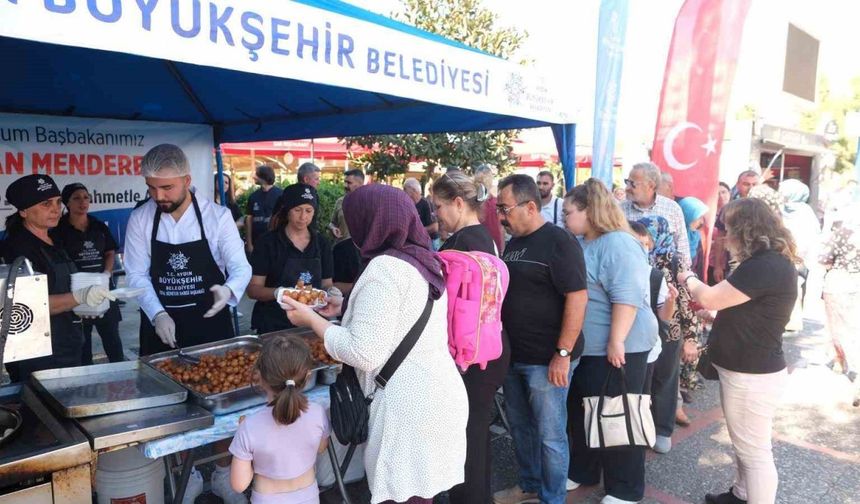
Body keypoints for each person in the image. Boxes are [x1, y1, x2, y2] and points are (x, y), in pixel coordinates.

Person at [281, 184, 468, 504]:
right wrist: (345, 309)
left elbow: (363, 352)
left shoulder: (384, 268)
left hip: (408, 408)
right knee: (422, 494)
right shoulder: (422, 258)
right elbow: (402, 317)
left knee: (405, 496)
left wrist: (313, 321)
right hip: (438, 395)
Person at [124, 144, 252, 504]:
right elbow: (135, 274)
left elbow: (241, 268)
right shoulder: (141, 219)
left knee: (225, 403)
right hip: (162, 326)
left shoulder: (216, 217)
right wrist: (157, 314)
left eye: (167, 188)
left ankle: (225, 471)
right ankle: (188, 471)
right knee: (170, 407)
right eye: (151, 188)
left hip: (211, 324)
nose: (158, 196)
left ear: (187, 180)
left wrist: (226, 292)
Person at [678, 198, 798, 504]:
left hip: (752, 374)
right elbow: (749, 309)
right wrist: (716, 315)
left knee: (754, 451)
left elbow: (711, 297)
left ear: (745, 229)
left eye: (727, 228)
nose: (723, 234)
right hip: (749, 369)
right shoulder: (766, 262)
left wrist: (688, 278)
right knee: (745, 444)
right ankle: (741, 494)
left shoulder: (765, 264)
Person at [492, 175, 587, 504]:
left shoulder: (560, 241)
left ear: (530, 206)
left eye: (505, 208)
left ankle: (552, 498)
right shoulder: (514, 242)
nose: (501, 216)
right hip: (513, 355)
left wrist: (562, 353)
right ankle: (530, 484)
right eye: (498, 208)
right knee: (520, 428)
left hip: (547, 360)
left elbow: (577, 297)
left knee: (550, 436)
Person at [563, 179, 657, 504]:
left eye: (569, 211)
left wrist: (616, 340)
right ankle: (584, 470)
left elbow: (627, 296)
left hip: (620, 346)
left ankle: (626, 489)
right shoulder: (585, 241)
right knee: (586, 410)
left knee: (617, 413)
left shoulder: (617, 242)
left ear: (590, 211)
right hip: (592, 347)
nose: (564, 217)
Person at [430, 172, 509, 504]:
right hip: (488, 347)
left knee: (466, 439)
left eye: (438, 207)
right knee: (474, 434)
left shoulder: (462, 243)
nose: (436, 215)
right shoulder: (485, 236)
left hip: (469, 354)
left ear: (458, 203)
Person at [2, 175, 114, 381]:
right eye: (46, 204)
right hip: (38, 355)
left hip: (68, 343)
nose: (55, 209)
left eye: (57, 202)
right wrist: (80, 297)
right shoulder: (17, 249)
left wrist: (85, 305)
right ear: (24, 211)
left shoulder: (53, 238)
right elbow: (28, 306)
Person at [229, 334, 330, 503]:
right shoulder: (318, 412)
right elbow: (321, 448)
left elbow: (239, 485)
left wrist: (248, 443)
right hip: (309, 497)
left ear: (259, 377)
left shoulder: (249, 426)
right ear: (308, 376)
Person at [635, 215, 701, 446]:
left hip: (669, 330)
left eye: (647, 235)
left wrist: (691, 339)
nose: (644, 240)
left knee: (664, 379)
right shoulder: (634, 257)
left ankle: (662, 430)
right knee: (642, 380)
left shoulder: (675, 261)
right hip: (639, 330)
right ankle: (640, 429)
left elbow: (687, 302)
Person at [51, 183, 124, 364]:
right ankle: (87, 383)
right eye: (76, 198)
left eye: (85, 197)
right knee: (83, 343)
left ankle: (123, 378)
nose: (82, 202)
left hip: (102, 289)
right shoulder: (58, 230)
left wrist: (107, 274)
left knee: (112, 338)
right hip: (75, 293)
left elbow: (109, 252)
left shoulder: (98, 225)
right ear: (67, 203)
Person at [247, 184, 333, 334]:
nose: (303, 217)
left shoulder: (322, 243)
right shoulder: (267, 243)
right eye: (297, 210)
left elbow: (326, 284)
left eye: (308, 210)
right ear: (287, 210)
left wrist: (332, 293)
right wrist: (278, 293)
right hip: (274, 325)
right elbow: (253, 290)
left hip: (312, 324)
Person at [629, 221, 678, 395]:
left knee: (640, 399)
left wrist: (670, 301)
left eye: (645, 245)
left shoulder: (655, 276)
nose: (642, 250)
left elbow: (664, 316)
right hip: (616, 349)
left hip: (646, 351)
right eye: (636, 244)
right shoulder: (611, 270)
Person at [819, 206, 860, 407]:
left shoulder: (844, 231)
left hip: (840, 282)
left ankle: (845, 362)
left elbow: (823, 259)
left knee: (840, 329)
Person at [621, 162, 692, 268]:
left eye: (633, 184)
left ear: (651, 185)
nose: (627, 188)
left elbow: (682, 250)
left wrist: (683, 277)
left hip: (666, 280)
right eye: (627, 182)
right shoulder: (620, 210)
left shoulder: (672, 208)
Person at [779, 179, 821, 332]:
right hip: (780, 255)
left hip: (797, 258)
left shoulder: (805, 213)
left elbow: (809, 239)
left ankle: (792, 322)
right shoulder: (780, 210)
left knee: (794, 286)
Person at [712, 171, 761, 282]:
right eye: (746, 184)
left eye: (755, 184)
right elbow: (720, 238)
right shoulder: (730, 209)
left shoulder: (767, 209)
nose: (751, 188)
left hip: (762, 263)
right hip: (736, 265)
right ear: (738, 185)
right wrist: (718, 266)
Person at [329, 170, 363, 295]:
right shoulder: (340, 201)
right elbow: (332, 222)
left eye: (349, 182)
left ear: (360, 183)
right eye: (345, 182)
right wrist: (332, 228)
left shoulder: (367, 203)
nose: (345, 185)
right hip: (340, 251)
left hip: (359, 253)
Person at [245, 165, 283, 255]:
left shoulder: (280, 195)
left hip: (276, 242)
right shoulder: (253, 196)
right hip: (257, 241)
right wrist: (249, 243)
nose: (254, 177)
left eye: (256, 175)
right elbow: (249, 219)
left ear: (263, 176)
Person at [474, 164, 505, 254]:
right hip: (494, 246)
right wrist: (502, 250)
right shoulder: (496, 202)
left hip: (476, 246)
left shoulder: (472, 201)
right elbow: (501, 228)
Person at [403, 178, 439, 247]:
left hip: (431, 241)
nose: (404, 191)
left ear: (413, 190)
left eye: (405, 189)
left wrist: (416, 231)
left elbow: (435, 227)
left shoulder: (426, 204)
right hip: (418, 242)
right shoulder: (409, 204)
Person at [708, 182, 733, 285]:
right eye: (717, 193)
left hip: (731, 262)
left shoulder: (737, 212)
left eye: (724, 192)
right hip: (712, 262)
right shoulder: (706, 214)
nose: (721, 196)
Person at [678, 197, 709, 275]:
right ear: (687, 215)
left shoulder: (695, 236)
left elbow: (699, 265)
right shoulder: (675, 238)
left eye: (702, 217)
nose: (702, 222)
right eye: (698, 217)